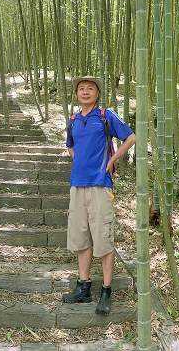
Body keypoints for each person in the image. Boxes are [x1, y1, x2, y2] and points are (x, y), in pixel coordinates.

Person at [62, 75, 135, 316]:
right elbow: (70, 145)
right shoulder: (73, 120)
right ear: (76, 94)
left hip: (100, 185)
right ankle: (83, 287)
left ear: (97, 93)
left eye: (90, 88)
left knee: (103, 240)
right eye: (81, 88)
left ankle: (106, 290)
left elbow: (131, 137)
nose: (85, 92)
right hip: (77, 186)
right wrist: (78, 162)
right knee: (81, 238)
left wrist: (113, 159)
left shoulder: (105, 116)